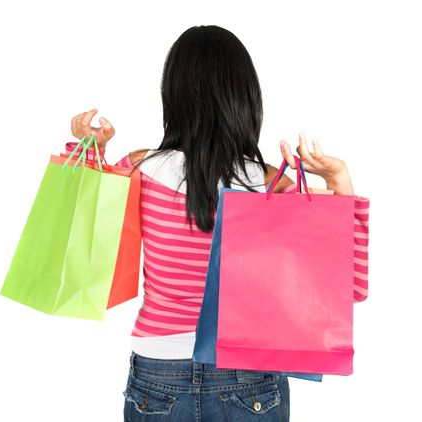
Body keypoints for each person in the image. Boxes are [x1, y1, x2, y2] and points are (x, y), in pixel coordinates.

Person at [66, 25, 366, 422]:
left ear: (172, 96)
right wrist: (338, 182)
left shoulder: (140, 169)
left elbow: (80, 241)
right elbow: (350, 289)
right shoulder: (270, 185)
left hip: (157, 373)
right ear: (245, 98)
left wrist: (90, 149)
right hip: (249, 378)